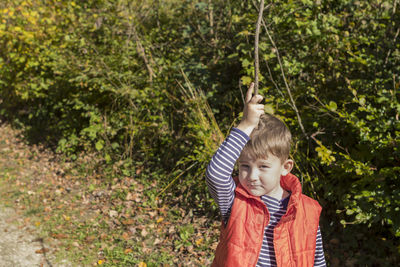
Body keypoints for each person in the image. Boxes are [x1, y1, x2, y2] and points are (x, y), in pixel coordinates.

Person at [206, 83, 326, 266]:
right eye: (245, 166)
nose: (252, 176)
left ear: (285, 167)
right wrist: (246, 125)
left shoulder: (308, 210)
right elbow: (216, 174)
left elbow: (317, 260)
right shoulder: (235, 200)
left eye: (263, 167)